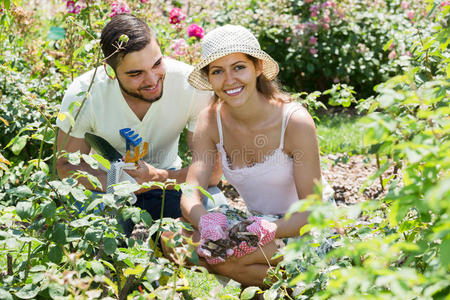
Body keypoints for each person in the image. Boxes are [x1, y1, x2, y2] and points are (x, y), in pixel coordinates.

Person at [179, 25, 334, 286]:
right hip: (253, 226)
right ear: (209, 78)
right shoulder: (211, 119)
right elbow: (190, 190)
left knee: (228, 255)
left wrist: (271, 229)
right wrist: (205, 222)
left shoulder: (294, 121)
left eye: (239, 67)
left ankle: (290, 280)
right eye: (218, 71)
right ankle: (281, 284)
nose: (229, 80)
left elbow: (313, 211)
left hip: (304, 228)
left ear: (258, 68)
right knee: (173, 236)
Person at [55, 14, 226, 236]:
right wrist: (121, 182)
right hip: (105, 188)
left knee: (217, 211)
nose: (153, 80)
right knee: (94, 234)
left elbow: (211, 171)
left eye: (157, 64)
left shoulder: (191, 85)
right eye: (136, 74)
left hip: (169, 182)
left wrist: (155, 178)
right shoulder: (83, 94)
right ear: (110, 71)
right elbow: (66, 165)